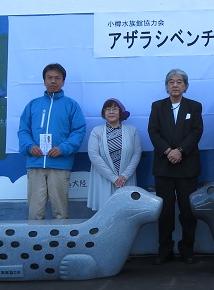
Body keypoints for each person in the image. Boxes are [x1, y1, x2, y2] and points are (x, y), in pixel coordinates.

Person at [147, 69, 204, 264]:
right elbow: (153, 132)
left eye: (179, 81)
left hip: (187, 166)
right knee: (165, 212)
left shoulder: (194, 106)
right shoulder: (157, 106)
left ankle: (187, 250)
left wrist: (180, 151)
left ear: (186, 86)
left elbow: (197, 132)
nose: (175, 85)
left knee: (188, 211)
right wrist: (168, 151)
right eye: (171, 82)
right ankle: (165, 251)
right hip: (164, 167)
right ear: (166, 86)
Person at [18, 63, 87, 220]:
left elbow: (79, 130)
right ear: (44, 81)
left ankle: (61, 237)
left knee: (60, 213)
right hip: (36, 165)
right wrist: (29, 146)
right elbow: (23, 130)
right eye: (49, 78)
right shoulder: (33, 105)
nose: (53, 81)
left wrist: (63, 148)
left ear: (63, 82)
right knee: (34, 213)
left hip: (59, 165)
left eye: (57, 78)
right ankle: (34, 237)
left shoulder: (71, 105)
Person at [86, 98, 142, 212]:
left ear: (120, 112)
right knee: (105, 213)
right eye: (108, 109)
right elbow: (94, 155)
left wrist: (124, 176)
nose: (111, 112)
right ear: (104, 113)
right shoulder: (96, 131)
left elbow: (137, 153)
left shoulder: (132, 130)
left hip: (125, 180)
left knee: (126, 212)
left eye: (115, 109)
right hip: (104, 178)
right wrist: (113, 178)